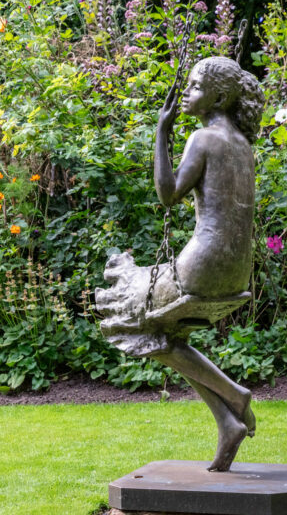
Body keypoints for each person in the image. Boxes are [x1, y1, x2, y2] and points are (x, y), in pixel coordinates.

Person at [96, 56, 263, 472]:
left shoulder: (202, 140)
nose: (185, 92)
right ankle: (227, 421)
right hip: (238, 271)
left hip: (202, 266)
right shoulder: (244, 146)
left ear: (220, 97)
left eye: (193, 86)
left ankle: (234, 397)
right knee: (167, 335)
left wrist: (161, 131)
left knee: (133, 318)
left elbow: (168, 194)